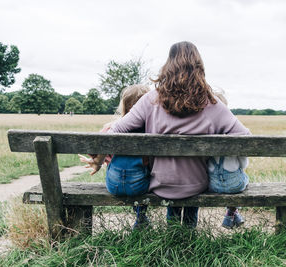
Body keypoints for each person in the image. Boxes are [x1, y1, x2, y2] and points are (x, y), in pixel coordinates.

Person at [88, 41, 251, 228]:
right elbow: (246, 138)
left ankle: (172, 238)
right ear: (199, 68)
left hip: (161, 184)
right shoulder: (212, 104)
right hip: (196, 184)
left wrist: (98, 158)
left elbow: (115, 131)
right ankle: (188, 237)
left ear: (168, 66)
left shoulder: (150, 99)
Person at [79, 84, 151, 228]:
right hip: (140, 187)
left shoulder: (111, 127)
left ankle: (140, 217)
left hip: (114, 185)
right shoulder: (151, 130)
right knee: (143, 172)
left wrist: (96, 162)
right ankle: (141, 216)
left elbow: (95, 149)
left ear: (124, 106)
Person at [209, 90, 249, 229]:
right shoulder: (235, 134)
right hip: (235, 185)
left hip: (213, 185)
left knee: (226, 182)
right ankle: (231, 212)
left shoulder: (206, 135)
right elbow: (243, 164)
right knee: (244, 177)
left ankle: (232, 215)